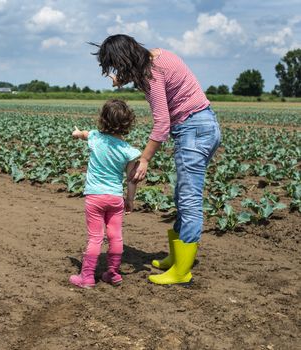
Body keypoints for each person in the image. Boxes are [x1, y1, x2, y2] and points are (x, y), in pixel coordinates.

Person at [92, 34, 221, 285]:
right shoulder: (157, 56)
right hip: (199, 126)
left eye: (117, 65)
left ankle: (182, 271)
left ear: (124, 58)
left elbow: (161, 123)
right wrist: (123, 80)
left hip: (194, 130)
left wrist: (144, 160)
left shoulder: (152, 73)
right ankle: (175, 259)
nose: (117, 70)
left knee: (189, 199)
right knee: (182, 196)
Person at [70, 99, 140, 289]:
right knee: (116, 236)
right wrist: (130, 200)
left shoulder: (95, 137)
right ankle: (113, 273)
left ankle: (87, 277)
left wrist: (76, 134)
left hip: (95, 197)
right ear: (127, 123)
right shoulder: (129, 151)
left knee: (95, 238)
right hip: (116, 198)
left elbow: (84, 134)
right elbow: (132, 179)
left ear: (102, 119)